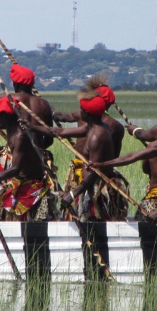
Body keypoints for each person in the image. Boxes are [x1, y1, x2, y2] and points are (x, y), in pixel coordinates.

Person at [0, 63, 55, 220]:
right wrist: (36, 150)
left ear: (16, 84)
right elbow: (49, 138)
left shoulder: (12, 100)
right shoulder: (44, 105)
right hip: (38, 160)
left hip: (14, 159)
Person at [50, 92, 128, 221]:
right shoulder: (109, 124)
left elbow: (62, 118)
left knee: (92, 214)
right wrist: (52, 114)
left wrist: (74, 193)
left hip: (95, 176)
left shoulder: (95, 124)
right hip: (89, 173)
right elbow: (115, 157)